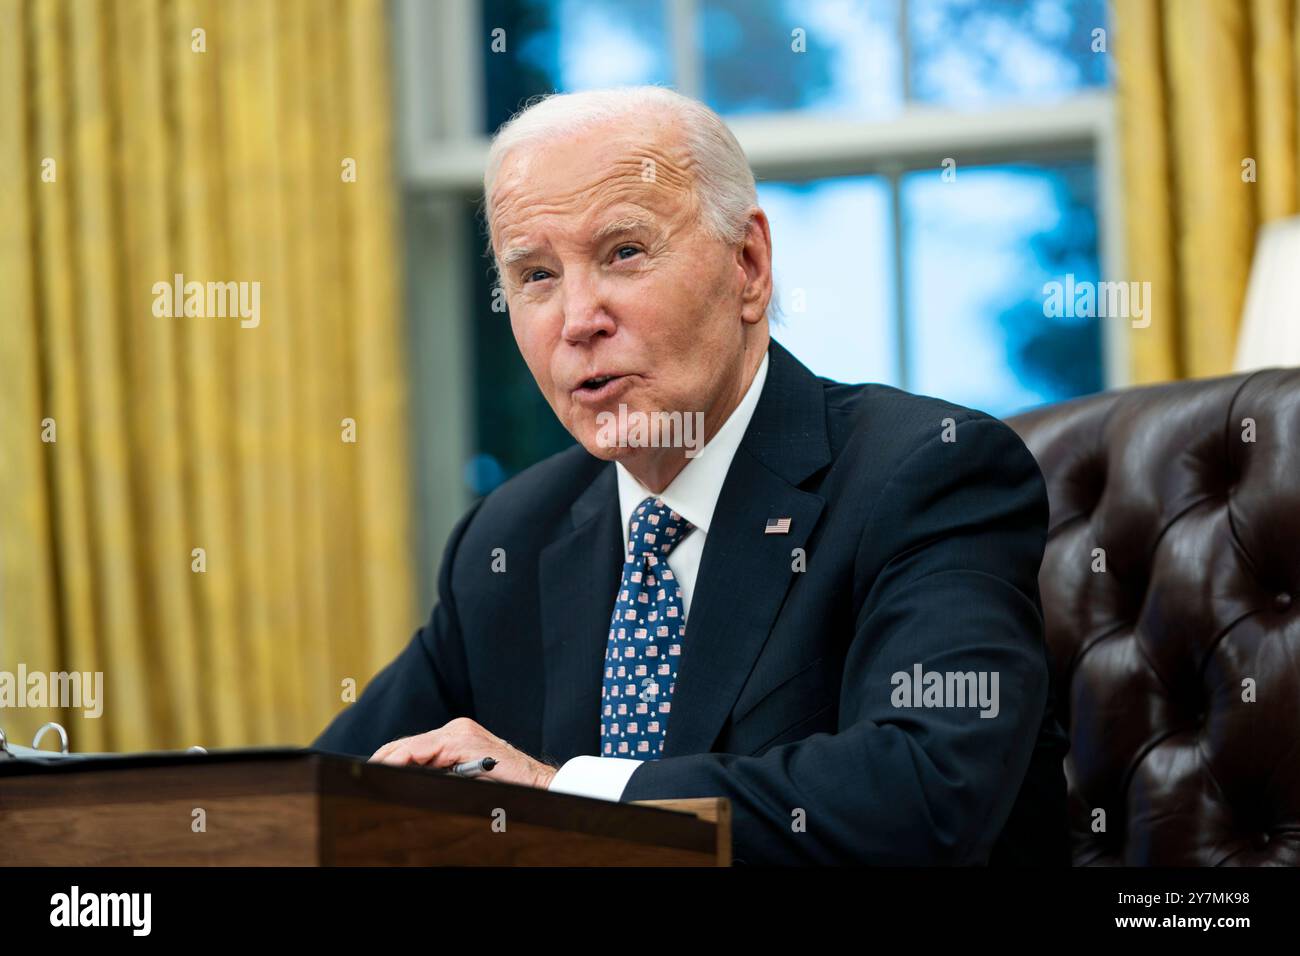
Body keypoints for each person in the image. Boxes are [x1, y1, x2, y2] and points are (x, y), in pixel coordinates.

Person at [314, 85, 1069, 865]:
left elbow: (925, 793)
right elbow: (313, 801)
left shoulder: (926, 476)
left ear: (748, 266)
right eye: (535, 275)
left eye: (625, 253)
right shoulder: (510, 536)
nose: (577, 320)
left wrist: (557, 798)